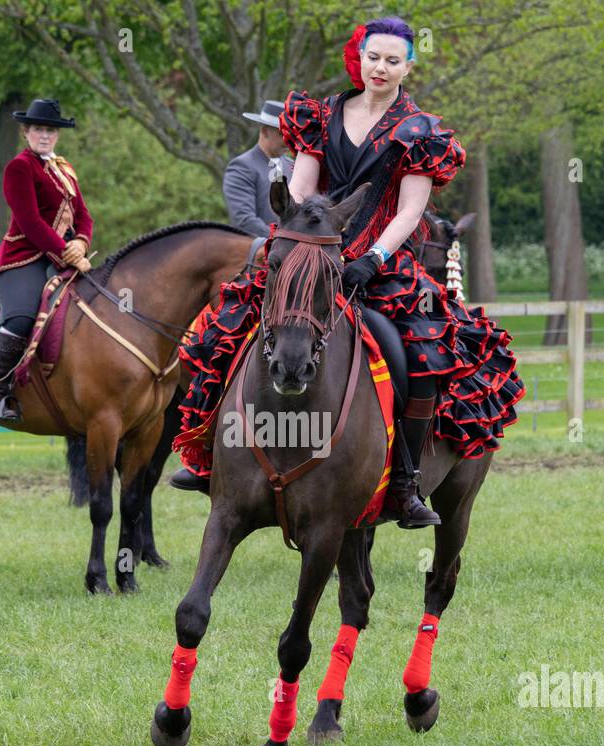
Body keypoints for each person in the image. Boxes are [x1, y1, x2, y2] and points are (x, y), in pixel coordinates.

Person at [170, 16, 524, 528]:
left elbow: (409, 211)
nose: (380, 68)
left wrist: (373, 258)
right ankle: (208, 458)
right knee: (221, 331)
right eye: (373, 57)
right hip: (313, 253)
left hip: (379, 264)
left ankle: (405, 484)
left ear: (408, 66)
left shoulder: (420, 131)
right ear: (359, 58)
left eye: (393, 60)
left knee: (422, 358)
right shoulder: (322, 113)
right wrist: (291, 232)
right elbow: (303, 187)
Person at [0, 98, 93, 423]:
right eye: (38, 129)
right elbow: (30, 222)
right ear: (26, 132)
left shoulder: (65, 168)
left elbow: (84, 215)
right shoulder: (19, 167)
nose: (44, 135)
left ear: (56, 135)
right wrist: (66, 251)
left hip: (67, 258)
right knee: (20, 318)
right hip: (24, 259)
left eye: (50, 130)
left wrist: (82, 244)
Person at [223, 100, 295, 237]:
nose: (288, 140)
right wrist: (282, 239)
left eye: (291, 134)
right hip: (256, 253)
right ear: (265, 131)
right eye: (282, 134)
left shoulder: (292, 166)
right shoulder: (242, 167)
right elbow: (244, 220)